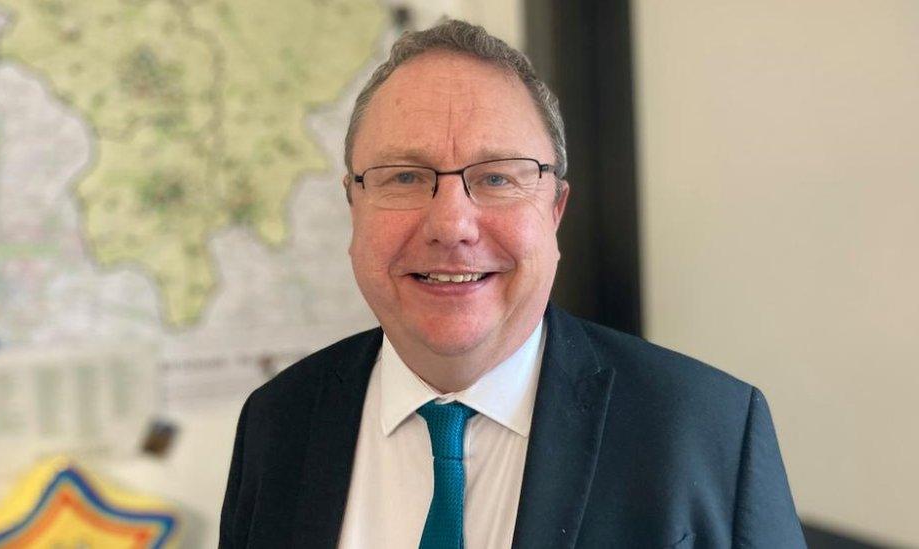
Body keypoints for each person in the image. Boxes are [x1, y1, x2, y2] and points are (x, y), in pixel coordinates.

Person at [220, 20, 805, 549]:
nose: (451, 225)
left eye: (497, 177)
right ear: (354, 205)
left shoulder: (713, 431)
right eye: (404, 176)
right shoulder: (278, 421)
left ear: (555, 209)